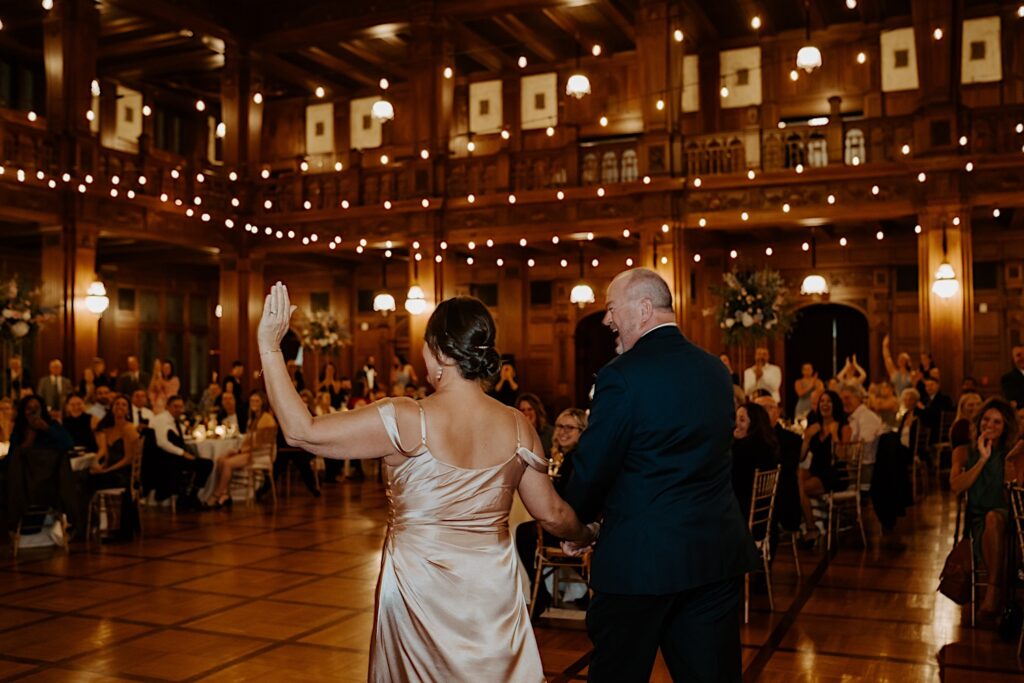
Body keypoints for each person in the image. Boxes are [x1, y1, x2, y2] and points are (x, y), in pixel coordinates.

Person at [258, 283, 595, 680]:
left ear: (438, 351)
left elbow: (302, 432)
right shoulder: (518, 426)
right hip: (490, 588)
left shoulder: (405, 419)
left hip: (418, 587)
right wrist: (585, 533)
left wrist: (270, 348)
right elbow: (552, 513)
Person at [559, 268, 758, 682]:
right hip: (713, 557)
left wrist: (579, 522)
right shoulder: (716, 372)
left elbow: (594, 468)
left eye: (612, 309)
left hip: (640, 564)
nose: (607, 320)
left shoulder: (622, 375)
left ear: (644, 309)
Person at [950, 398, 1024, 617]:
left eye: (997, 422)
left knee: (994, 518)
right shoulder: (963, 452)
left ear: (1006, 427)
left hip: (1007, 519)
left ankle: (993, 593)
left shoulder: (1011, 454)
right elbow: (956, 487)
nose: (989, 425)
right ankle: (998, 593)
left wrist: (1010, 462)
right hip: (977, 520)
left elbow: (1012, 495)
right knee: (989, 519)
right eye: (986, 419)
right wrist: (982, 460)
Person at [515, 407, 588, 613]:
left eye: (570, 428)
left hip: (574, 524)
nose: (562, 431)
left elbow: (566, 499)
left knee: (525, 533)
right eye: (560, 426)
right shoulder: (564, 457)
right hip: (573, 522)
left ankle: (539, 595)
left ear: (582, 431)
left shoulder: (576, 458)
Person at [207, 391, 278, 508]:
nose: (253, 403)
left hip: (260, 455)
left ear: (262, 403)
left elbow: (259, 444)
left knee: (227, 463)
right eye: (252, 401)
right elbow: (248, 440)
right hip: (251, 451)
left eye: (257, 401)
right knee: (220, 459)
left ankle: (216, 494)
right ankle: (225, 494)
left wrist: (240, 451)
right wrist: (237, 450)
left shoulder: (266, 419)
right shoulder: (253, 418)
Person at [798, 390, 851, 541]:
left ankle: (811, 526)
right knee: (793, 477)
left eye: (829, 401)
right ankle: (809, 521)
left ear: (835, 405)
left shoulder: (844, 428)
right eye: (822, 401)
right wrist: (807, 438)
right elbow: (801, 458)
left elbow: (843, 457)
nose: (825, 405)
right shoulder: (814, 426)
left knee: (799, 488)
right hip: (815, 470)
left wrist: (834, 435)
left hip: (835, 473)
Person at [84, 395, 140, 534]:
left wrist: (106, 471)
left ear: (128, 410)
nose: (120, 407)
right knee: (84, 477)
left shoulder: (129, 428)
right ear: (112, 408)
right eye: (117, 404)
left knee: (86, 481)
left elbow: (128, 459)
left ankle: (90, 523)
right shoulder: (108, 429)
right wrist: (99, 466)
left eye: (123, 405)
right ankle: (91, 521)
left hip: (123, 474)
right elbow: (106, 454)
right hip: (111, 471)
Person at [148, 396, 212, 509]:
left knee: (205, 463)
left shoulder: (174, 420)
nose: (178, 409)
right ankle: (189, 498)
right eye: (175, 406)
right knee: (205, 464)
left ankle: (190, 497)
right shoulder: (161, 419)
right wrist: (182, 453)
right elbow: (162, 443)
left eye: (181, 407)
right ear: (167, 407)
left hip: (174, 457)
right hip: (164, 460)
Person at [872, 388, 922, 529]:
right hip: (899, 448)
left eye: (910, 399)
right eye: (905, 399)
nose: (907, 402)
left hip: (908, 451)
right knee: (889, 443)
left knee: (889, 445)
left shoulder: (917, 416)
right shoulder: (904, 415)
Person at [755, 395, 803, 535]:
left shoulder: (791, 440)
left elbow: (787, 472)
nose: (764, 413)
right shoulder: (749, 439)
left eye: (768, 408)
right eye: (760, 409)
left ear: (778, 411)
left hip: (780, 499)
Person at [731, 402, 779, 523]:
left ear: (754, 424)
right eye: (735, 418)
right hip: (762, 518)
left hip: (740, 518)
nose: (735, 423)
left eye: (741, 420)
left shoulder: (742, 450)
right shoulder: (767, 446)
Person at [840, 385, 885, 476]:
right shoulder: (852, 419)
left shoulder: (867, 417)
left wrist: (844, 455)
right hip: (854, 467)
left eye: (847, 398)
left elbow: (864, 448)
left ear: (858, 398)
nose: (844, 402)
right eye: (842, 400)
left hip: (863, 471)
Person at [516, 393, 553, 458]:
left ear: (537, 411)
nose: (526, 413)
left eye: (530, 409)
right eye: (522, 410)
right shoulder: (515, 434)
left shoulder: (550, 433)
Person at [921, 376, 954, 445]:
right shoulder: (924, 400)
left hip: (938, 430)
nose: (929, 388)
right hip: (925, 430)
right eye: (927, 386)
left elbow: (937, 416)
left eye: (932, 385)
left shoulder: (944, 399)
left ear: (938, 386)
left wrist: (924, 409)